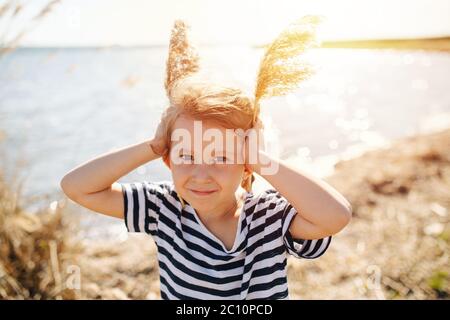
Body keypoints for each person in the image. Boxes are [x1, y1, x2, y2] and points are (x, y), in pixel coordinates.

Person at [60, 17, 352, 300]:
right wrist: (153, 145)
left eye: (222, 158)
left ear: (245, 163)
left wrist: (260, 160)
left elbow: (335, 216)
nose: (201, 173)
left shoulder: (268, 216)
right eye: (186, 155)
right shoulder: (163, 208)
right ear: (168, 160)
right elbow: (77, 186)